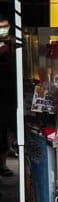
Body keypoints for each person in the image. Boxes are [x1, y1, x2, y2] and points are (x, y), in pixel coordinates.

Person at [0, 18, 14, 177]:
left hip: (7, 95)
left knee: (4, 131)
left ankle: (2, 164)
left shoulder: (11, 44)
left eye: (5, 27)